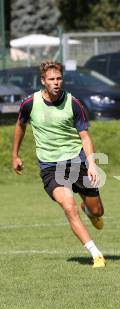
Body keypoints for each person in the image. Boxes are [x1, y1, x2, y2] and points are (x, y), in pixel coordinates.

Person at [11, 60, 106, 268]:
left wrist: (91, 164)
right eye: (52, 79)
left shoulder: (74, 103)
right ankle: (95, 253)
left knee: (97, 211)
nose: (56, 82)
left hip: (77, 161)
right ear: (43, 81)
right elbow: (20, 126)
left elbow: (85, 136)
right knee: (69, 207)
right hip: (51, 167)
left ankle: (89, 210)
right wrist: (15, 155)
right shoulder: (29, 103)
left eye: (59, 78)